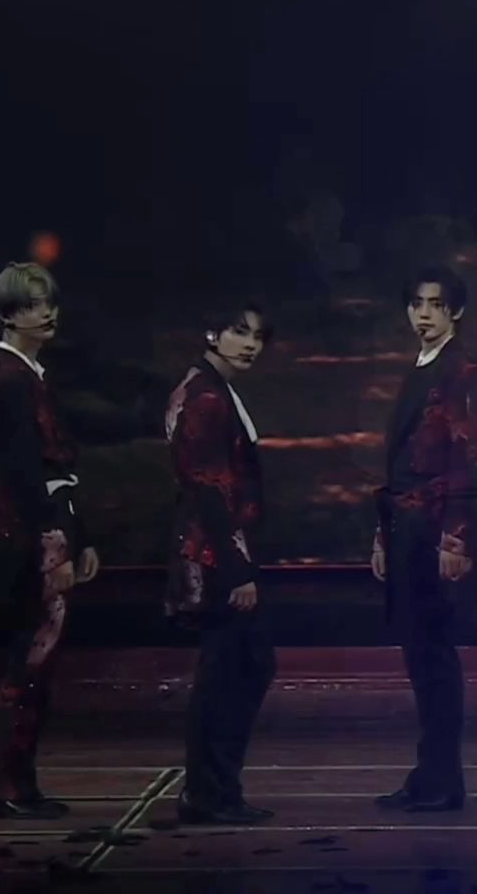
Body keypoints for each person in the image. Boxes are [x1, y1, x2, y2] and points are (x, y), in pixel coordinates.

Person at [0, 262, 99, 820]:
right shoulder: (8, 381)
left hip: (46, 534)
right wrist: (55, 549)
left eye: (47, 302)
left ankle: (16, 784)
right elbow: (24, 477)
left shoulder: (30, 376)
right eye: (30, 304)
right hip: (28, 542)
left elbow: (57, 471)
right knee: (29, 662)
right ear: (7, 314)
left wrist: (81, 536)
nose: (45, 313)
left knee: (37, 665)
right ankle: (6, 785)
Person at [371, 267, 477, 813]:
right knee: (420, 656)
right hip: (406, 529)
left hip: (434, 532)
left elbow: (469, 459)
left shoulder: (462, 371)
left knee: (434, 657)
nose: (424, 314)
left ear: (455, 311)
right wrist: (383, 535)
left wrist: (457, 538)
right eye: (416, 304)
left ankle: (441, 781)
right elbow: (399, 464)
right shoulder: (420, 367)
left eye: (435, 304)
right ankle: (432, 777)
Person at [163, 304, 280, 825]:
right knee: (231, 671)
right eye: (239, 332)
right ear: (212, 332)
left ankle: (214, 790)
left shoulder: (213, 389)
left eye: (257, 335)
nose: (250, 344)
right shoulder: (206, 397)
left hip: (220, 553)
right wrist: (238, 570)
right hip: (217, 558)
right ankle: (209, 793)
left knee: (241, 667)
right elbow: (210, 491)